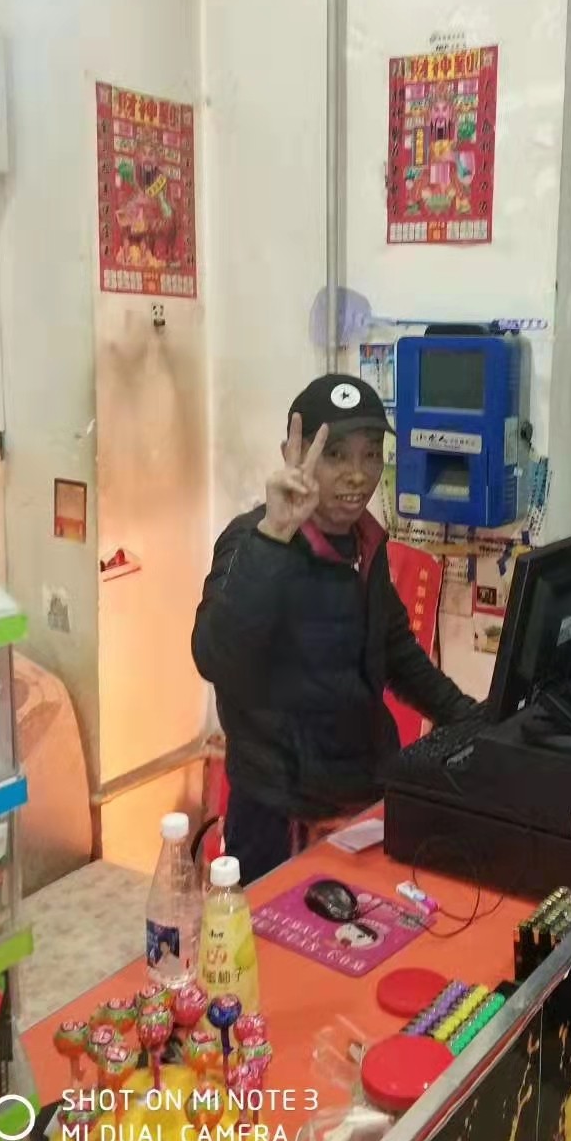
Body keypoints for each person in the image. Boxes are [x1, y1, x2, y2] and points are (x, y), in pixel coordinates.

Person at [192, 373, 479, 883]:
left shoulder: (364, 542)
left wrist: (473, 721)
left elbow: (396, 650)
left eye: (371, 455)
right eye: (335, 455)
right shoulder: (251, 541)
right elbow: (214, 656)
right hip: (281, 815)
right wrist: (274, 536)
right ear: (293, 454)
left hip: (365, 795)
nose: (357, 475)